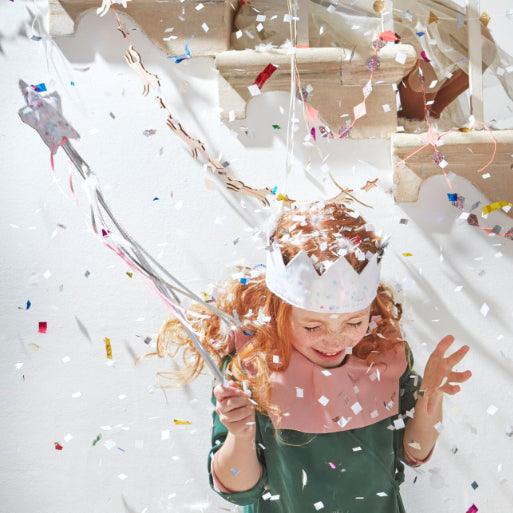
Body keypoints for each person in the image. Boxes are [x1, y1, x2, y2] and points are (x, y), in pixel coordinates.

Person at [155, 199, 472, 512]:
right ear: (281, 314)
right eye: (311, 325)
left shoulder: (384, 355)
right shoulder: (251, 367)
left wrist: (431, 401)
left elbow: (412, 452)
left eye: (353, 322)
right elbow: (237, 489)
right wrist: (241, 434)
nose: (335, 339)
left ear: (370, 309)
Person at [231, 0, 513, 123]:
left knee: (475, 36)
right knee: (410, 39)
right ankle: (421, 115)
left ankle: (430, 111)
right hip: (321, 9)